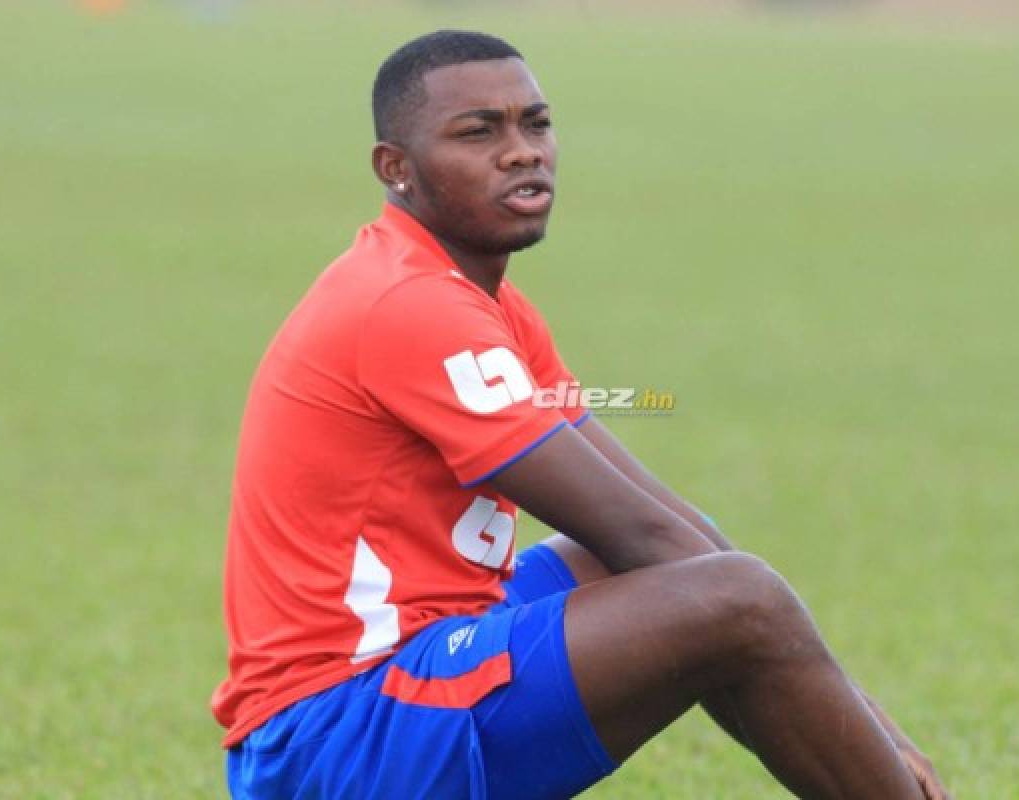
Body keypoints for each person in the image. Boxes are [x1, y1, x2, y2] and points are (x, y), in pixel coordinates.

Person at [211, 30, 950, 800]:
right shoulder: (410, 305)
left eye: (535, 123)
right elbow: (640, 533)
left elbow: (664, 517)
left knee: (703, 572)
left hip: (402, 678)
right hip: (344, 735)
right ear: (396, 168)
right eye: (479, 132)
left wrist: (865, 721)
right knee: (736, 596)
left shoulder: (488, 306)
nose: (522, 151)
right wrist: (877, 735)